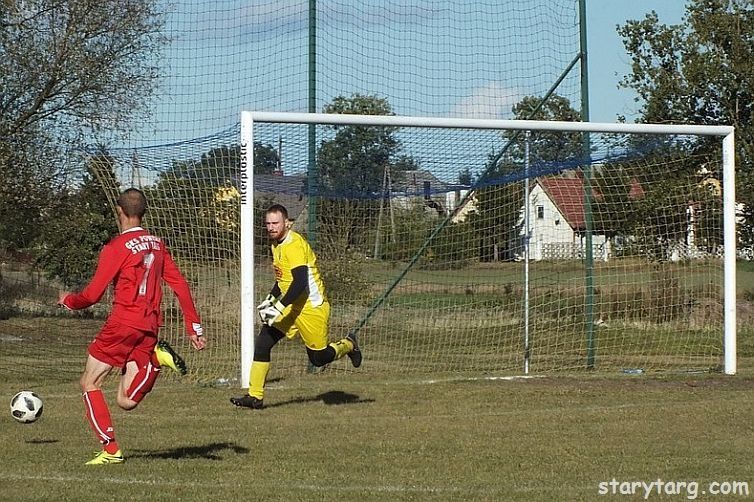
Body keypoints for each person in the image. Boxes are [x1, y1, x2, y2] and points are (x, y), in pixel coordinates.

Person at [58, 188, 206, 465]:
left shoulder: (115, 248)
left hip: (123, 323)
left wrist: (68, 301)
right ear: (143, 212)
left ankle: (111, 451)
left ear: (119, 211)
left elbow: (92, 295)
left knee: (90, 382)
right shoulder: (157, 244)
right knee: (126, 401)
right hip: (149, 325)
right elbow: (180, 285)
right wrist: (193, 327)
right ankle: (156, 359)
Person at [231, 204, 361, 409]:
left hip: (311, 306)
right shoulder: (275, 244)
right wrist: (271, 298)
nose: (271, 227)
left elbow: (300, 282)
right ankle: (255, 397)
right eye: (268, 223)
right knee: (263, 343)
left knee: (318, 358)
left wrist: (279, 306)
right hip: (291, 304)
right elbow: (284, 278)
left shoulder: (294, 244)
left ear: (287, 223)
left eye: (276, 223)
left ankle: (348, 345)